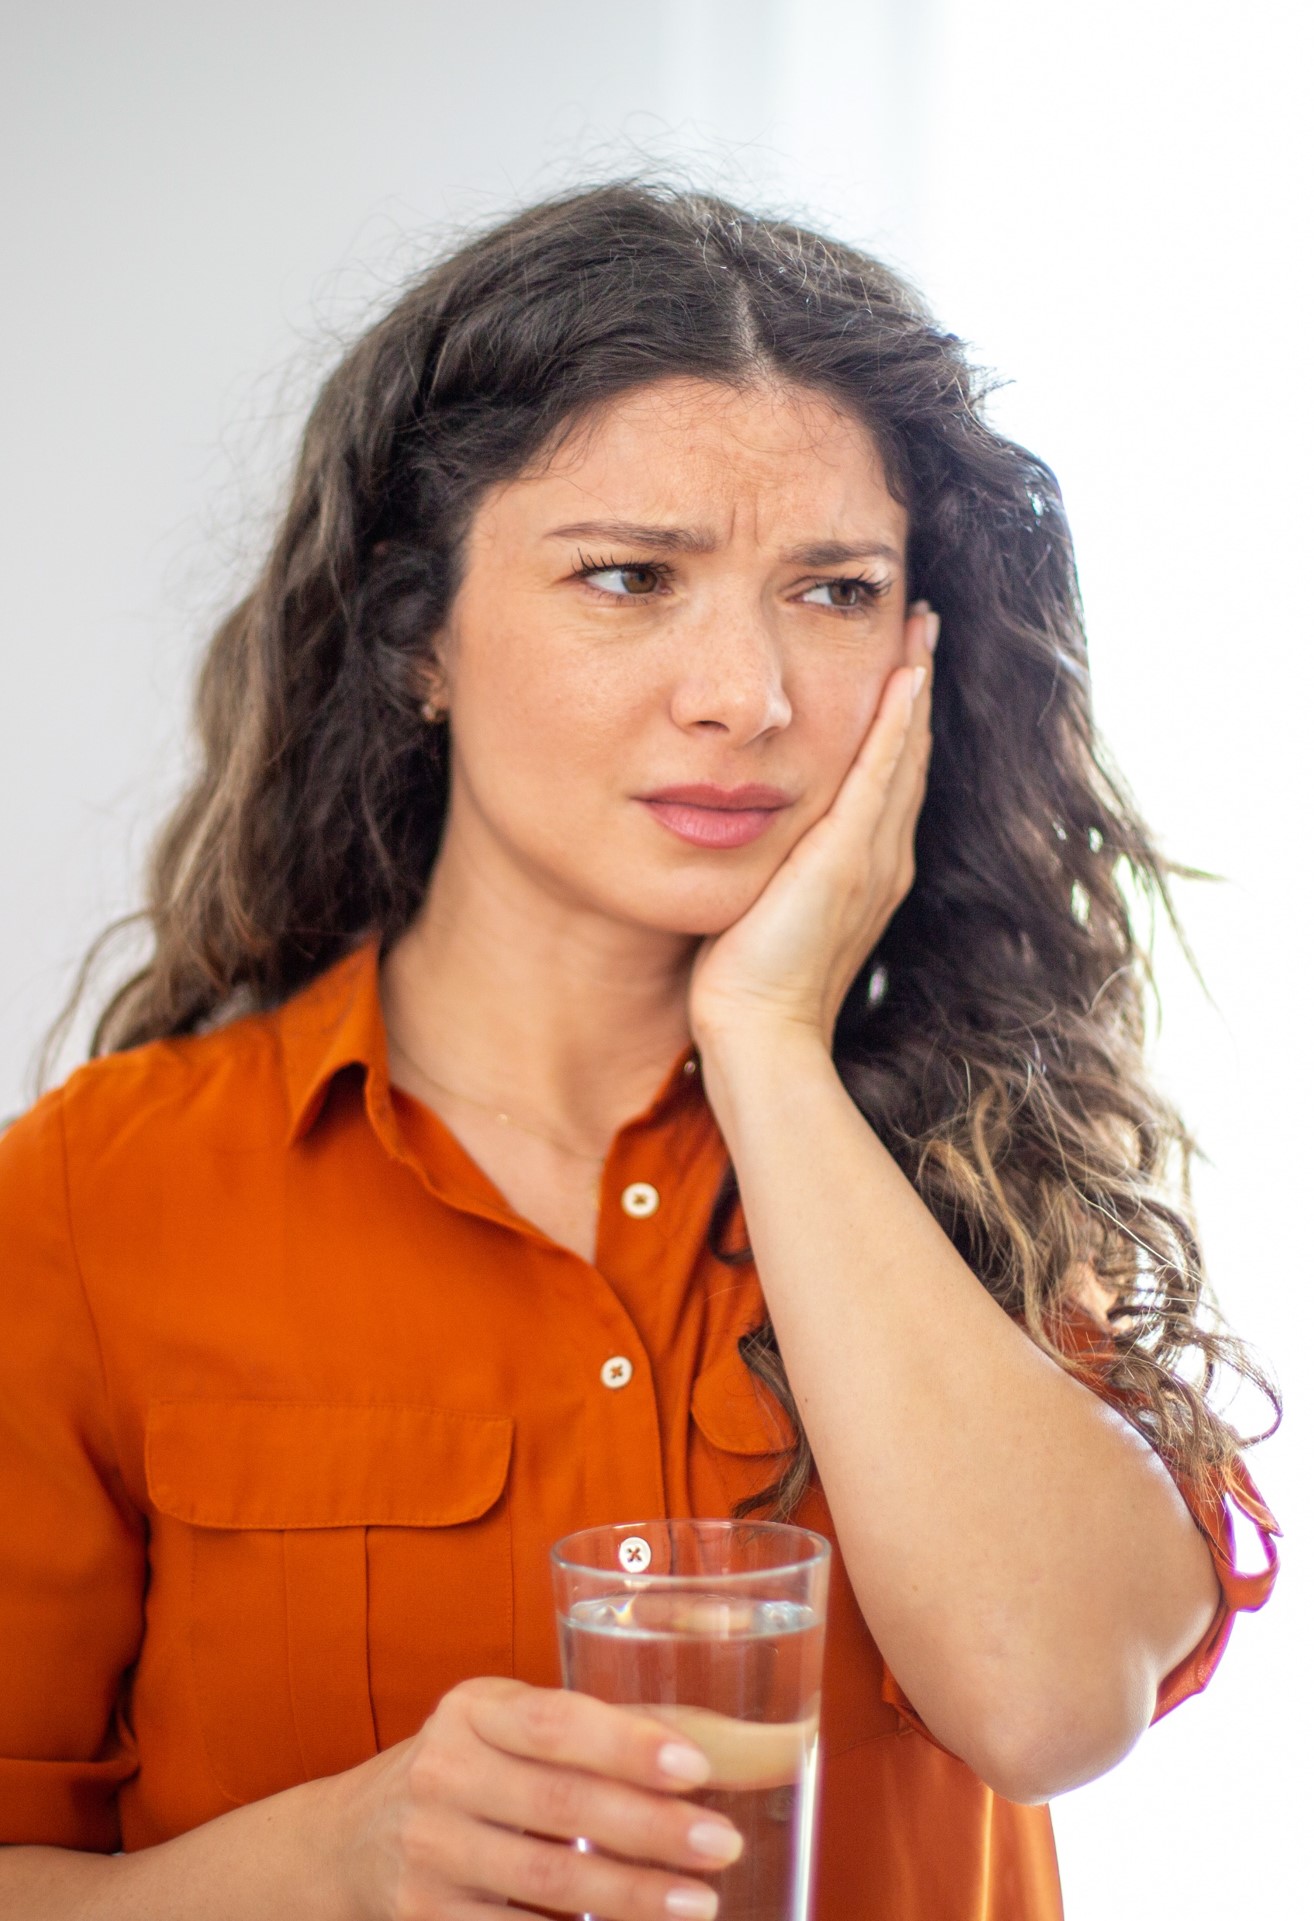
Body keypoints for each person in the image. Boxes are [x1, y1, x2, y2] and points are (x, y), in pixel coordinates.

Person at [0, 180, 1280, 1921]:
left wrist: (765, 1040)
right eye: (627, 576)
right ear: (415, 634)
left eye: (832, 591)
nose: (744, 692)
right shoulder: (96, 1197)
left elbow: (1050, 1700)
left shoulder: (983, 1175)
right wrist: (324, 1864)